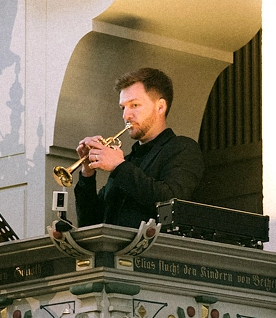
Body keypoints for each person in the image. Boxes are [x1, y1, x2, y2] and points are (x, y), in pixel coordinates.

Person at [73, 67, 204, 227]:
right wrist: (87, 173)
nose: (126, 115)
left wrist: (119, 167)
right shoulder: (128, 161)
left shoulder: (183, 148)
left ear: (160, 107)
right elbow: (91, 224)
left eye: (134, 105)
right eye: (123, 107)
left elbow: (171, 201)